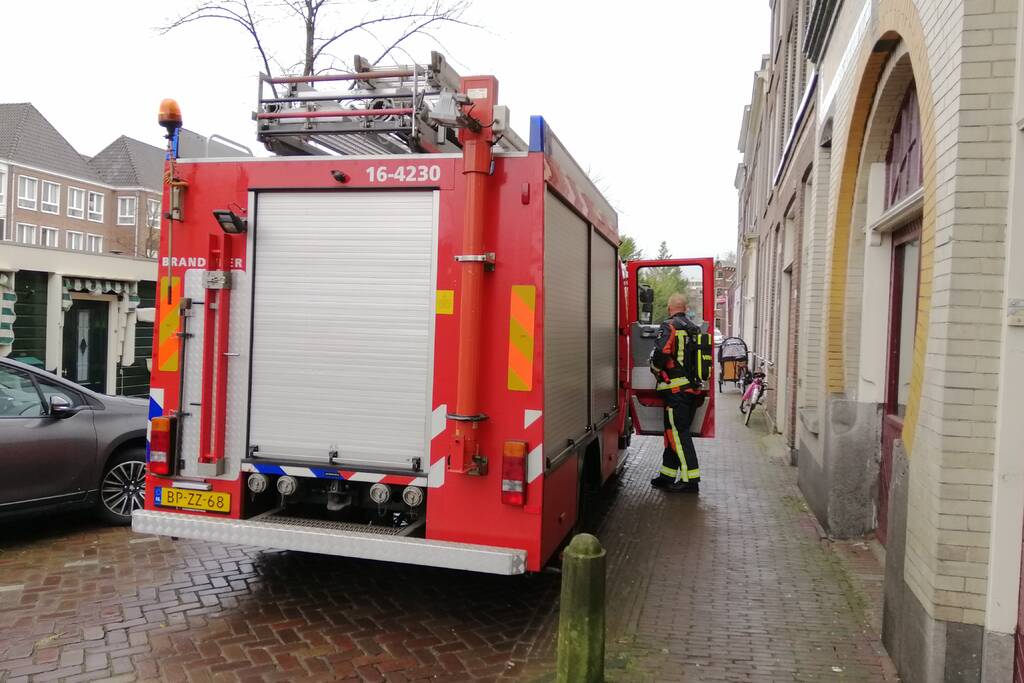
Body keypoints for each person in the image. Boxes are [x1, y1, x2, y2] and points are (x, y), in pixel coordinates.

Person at [649, 292, 702, 493]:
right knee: (672, 433)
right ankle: (668, 475)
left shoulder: (669, 326)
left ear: (669, 308)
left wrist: (655, 368)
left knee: (679, 435)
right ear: (686, 309)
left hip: (675, 391)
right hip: (689, 390)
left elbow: (661, 353)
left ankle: (690, 481)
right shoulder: (693, 328)